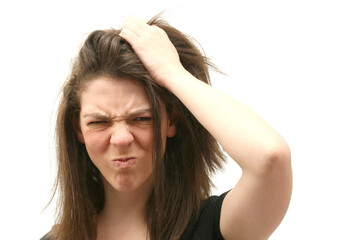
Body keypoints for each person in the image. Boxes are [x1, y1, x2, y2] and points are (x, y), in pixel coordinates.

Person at [41, 15, 292, 240]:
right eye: (99, 122)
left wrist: (173, 73)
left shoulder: (212, 227)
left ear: (171, 121)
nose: (120, 139)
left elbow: (270, 156)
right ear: (78, 129)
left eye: (141, 119)